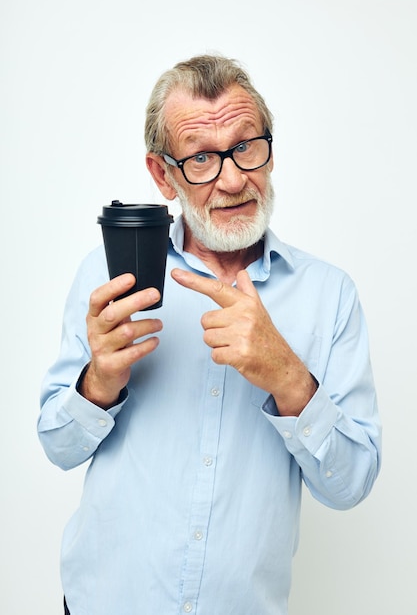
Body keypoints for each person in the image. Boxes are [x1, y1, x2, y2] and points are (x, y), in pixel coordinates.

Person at [38, 54, 381, 615]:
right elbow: (58, 447)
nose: (232, 178)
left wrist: (287, 376)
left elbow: (350, 486)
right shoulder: (109, 276)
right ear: (161, 175)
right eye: (200, 157)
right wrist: (99, 380)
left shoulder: (330, 294)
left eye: (246, 146)